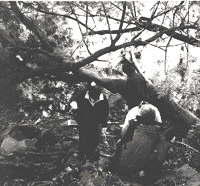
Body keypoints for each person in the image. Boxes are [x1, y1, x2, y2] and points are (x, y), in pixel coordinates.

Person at [70, 81, 109, 161]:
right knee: (83, 138)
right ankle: (82, 158)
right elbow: (73, 98)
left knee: (94, 140)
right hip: (83, 119)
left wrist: (104, 125)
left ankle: (93, 159)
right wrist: (74, 103)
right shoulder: (83, 93)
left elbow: (105, 112)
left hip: (95, 121)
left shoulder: (103, 98)